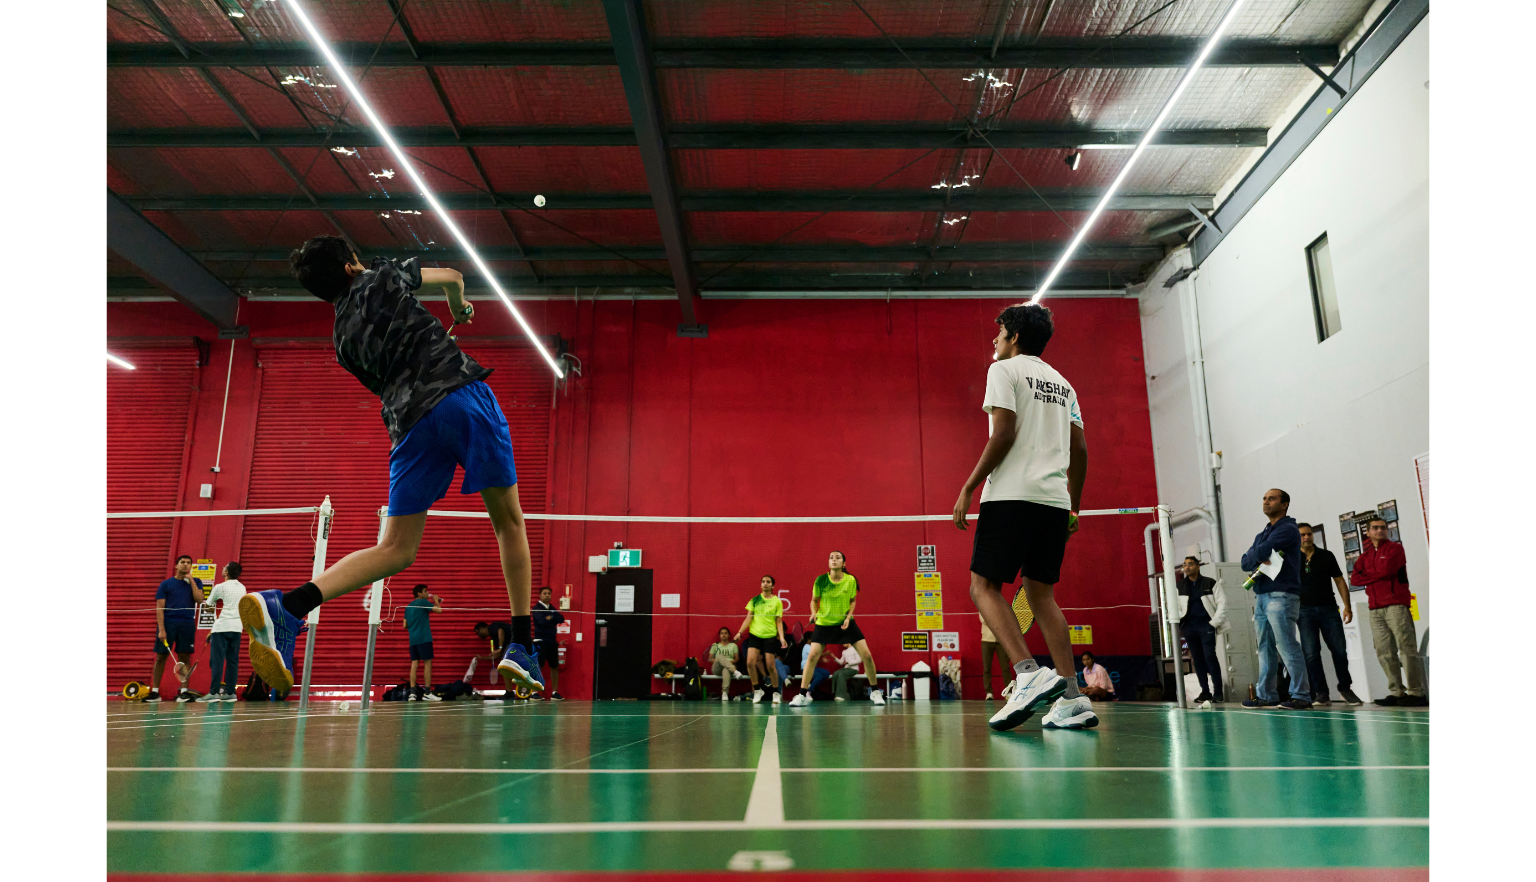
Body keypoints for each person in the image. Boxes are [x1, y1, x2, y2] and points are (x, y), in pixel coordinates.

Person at [241, 238, 543, 698]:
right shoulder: (380, 275)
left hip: (409, 423)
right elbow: (454, 279)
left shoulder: (342, 342)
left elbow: (391, 374)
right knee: (508, 522)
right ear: (350, 266)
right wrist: (458, 310)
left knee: (396, 548)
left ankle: (290, 605)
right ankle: (521, 644)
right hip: (460, 397)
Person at [951, 303, 1095, 731]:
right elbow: (1080, 450)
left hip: (1012, 496)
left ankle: (1027, 673)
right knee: (1041, 596)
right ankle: (1072, 698)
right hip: (1054, 502)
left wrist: (968, 486)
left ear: (1014, 337)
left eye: (998, 334)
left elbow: (1004, 433)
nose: (994, 341)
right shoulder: (1064, 385)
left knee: (983, 587)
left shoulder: (1003, 370)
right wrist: (1074, 506)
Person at [1239, 489, 1311, 710]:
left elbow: (1260, 552)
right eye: (1264, 498)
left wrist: (1258, 554)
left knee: (1286, 645)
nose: (1266, 502)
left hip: (1281, 594)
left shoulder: (1288, 528)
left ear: (1285, 504)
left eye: (1271, 499)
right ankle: (1266, 695)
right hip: (1262, 595)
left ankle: (1301, 695)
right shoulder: (1263, 533)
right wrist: (1258, 555)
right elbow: (1244, 562)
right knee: (1265, 647)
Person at [1350, 517, 1427, 706]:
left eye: (1383, 528)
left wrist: (1367, 574)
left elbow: (1386, 570)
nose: (1380, 530)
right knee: (1384, 652)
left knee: (1406, 648)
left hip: (1396, 605)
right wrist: (1374, 574)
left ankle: (1416, 692)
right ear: (1368, 532)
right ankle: (1397, 691)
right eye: (1375, 528)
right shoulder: (1365, 557)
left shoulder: (1395, 549)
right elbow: (1355, 580)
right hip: (1375, 609)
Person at [790, 552, 883, 706]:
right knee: (812, 657)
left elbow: (852, 601)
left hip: (845, 623)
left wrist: (848, 617)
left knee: (866, 655)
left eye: (838, 558)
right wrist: (813, 613)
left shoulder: (850, 580)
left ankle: (875, 692)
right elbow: (814, 600)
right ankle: (802, 695)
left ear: (843, 563)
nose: (834, 559)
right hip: (824, 623)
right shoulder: (821, 580)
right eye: (831, 558)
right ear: (828, 563)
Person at [1297, 524, 1362, 706]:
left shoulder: (1326, 556)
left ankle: (1345, 688)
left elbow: (1339, 581)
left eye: (1309, 534)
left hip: (1329, 609)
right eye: (1302, 535)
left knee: (1339, 650)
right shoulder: (1291, 558)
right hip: (1304, 611)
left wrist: (1347, 607)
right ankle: (1321, 693)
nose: (1307, 537)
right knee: (1311, 653)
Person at [149, 554, 205, 703]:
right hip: (169, 623)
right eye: (182, 562)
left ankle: (184, 692)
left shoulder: (196, 582)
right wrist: (162, 629)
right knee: (161, 657)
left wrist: (192, 581)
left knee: (185, 657)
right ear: (176, 565)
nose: (185, 565)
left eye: (188, 563)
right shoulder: (166, 584)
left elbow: (200, 599)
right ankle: (155, 692)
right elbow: (159, 608)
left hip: (187, 624)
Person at [1176, 556, 1228, 703]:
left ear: (1198, 566)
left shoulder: (1210, 583)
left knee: (1210, 657)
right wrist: (1180, 620)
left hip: (1206, 625)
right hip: (1189, 627)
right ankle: (1205, 691)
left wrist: (1214, 623)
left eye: (1190, 564)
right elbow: (1174, 605)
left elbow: (1222, 603)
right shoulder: (1180, 586)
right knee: (1197, 660)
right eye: (1184, 564)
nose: (1187, 567)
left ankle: (1218, 692)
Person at [735, 575, 788, 704]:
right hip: (755, 635)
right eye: (763, 581)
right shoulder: (754, 600)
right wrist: (740, 632)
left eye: (768, 582)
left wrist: (781, 638)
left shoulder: (777, 602)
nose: (765, 583)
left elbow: (779, 621)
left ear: (772, 586)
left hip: (770, 636)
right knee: (750, 663)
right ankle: (758, 690)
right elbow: (748, 618)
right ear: (761, 585)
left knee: (770, 666)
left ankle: (776, 692)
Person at [199, 562, 247, 702]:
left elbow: (208, 606)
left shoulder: (219, 587)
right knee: (232, 661)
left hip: (222, 628)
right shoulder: (242, 588)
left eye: (224, 567)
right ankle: (230, 693)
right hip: (237, 628)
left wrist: (205, 602)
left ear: (226, 573)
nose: (223, 568)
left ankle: (214, 693)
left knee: (217, 661)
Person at [404, 584, 443, 701]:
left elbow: (405, 625)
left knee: (414, 665)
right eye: (425, 591)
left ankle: (412, 694)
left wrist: (415, 625)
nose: (427, 593)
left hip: (413, 640)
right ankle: (427, 693)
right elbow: (439, 610)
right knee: (427, 664)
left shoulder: (408, 606)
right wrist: (436, 601)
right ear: (419, 593)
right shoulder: (423, 602)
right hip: (424, 638)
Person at [532, 587, 566, 699]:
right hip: (540, 641)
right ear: (540, 595)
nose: (547, 595)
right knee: (539, 666)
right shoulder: (537, 608)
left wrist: (550, 617)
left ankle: (554, 693)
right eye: (545, 593)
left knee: (554, 666)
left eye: (549, 593)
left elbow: (561, 618)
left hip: (552, 641)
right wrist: (552, 618)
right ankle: (534, 692)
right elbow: (542, 621)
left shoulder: (551, 608)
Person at [474, 620, 513, 696]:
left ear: (482, 628)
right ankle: (510, 691)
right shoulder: (494, 639)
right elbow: (498, 655)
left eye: (478, 632)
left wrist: (500, 647)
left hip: (517, 641)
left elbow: (500, 630)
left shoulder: (492, 627)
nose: (478, 636)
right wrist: (482, 658)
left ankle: (509, 692)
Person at [979, 616, 1012, 700]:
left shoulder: (1002, 608)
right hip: (986, 640)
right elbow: (985, 620)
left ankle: (1009, 692)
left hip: (1001, 640)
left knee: (1005, 667)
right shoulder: (983, 608)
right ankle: (989, 692)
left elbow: (1005, 620)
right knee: (987, 668)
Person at [708, 627, 740, 701]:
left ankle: (724, 693)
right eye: (722, 633)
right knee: (719, 656)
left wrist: (726, 663)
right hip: (717, 668)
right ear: (719, 635)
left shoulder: (733, 646)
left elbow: (737, 659)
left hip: (729, 668)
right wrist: (721, 661)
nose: (724, 635)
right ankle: (735, 671)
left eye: (725, 633)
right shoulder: (715, 645)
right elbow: (710, 659)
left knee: (726, 669)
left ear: (729, 635)